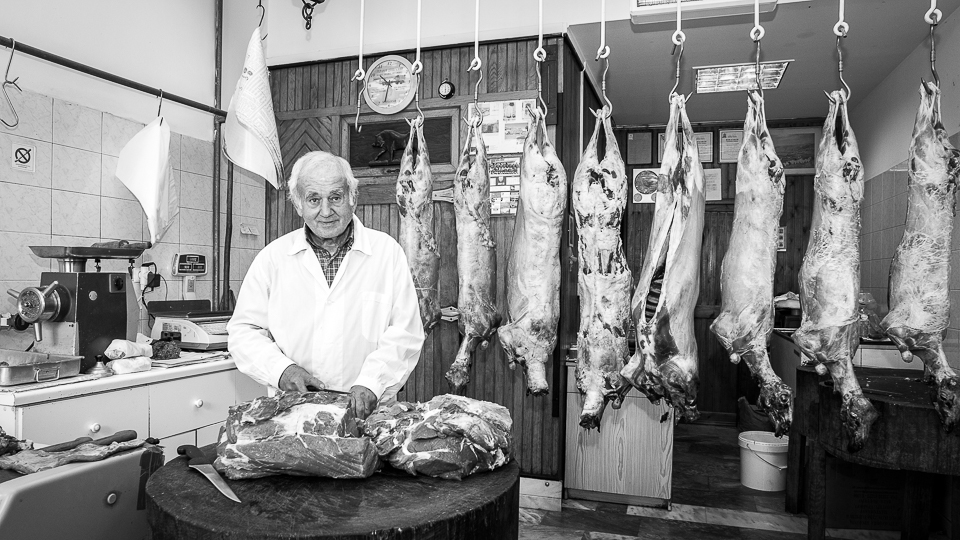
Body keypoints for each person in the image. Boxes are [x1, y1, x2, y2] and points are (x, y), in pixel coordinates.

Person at [227, 151, 425, 419]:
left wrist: (372, 382)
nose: (326, 211)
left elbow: (406, 332)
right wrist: (282, 370)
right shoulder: (272, 258)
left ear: (352, 198)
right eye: (314, 199)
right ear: (298, 205)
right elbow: (243, 331)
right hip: (293, 412)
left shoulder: (387, 253)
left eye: (335, 197)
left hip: (370, 413)